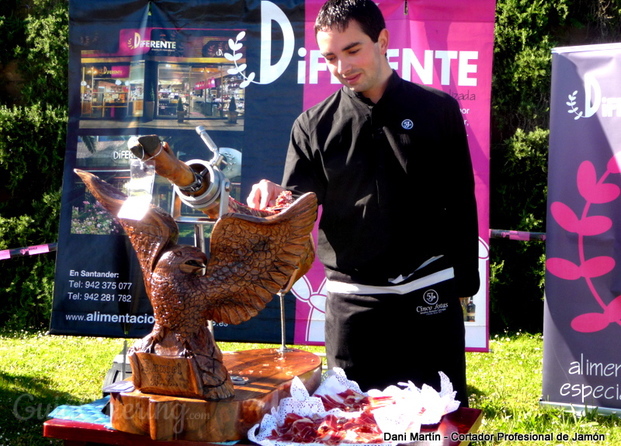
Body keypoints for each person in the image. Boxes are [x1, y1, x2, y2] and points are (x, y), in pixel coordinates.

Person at [247, 0, 479, 405]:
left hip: (428, 295)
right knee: (350, 423)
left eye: (352, 50)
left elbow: (461, 200)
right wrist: (273, 197)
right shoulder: (312, 125)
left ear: (382, 40)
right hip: (352, 306)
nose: (342, 66)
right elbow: (296, 208)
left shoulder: (437, 110)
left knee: (438, 425)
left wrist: (464, 285)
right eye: (331, 57)